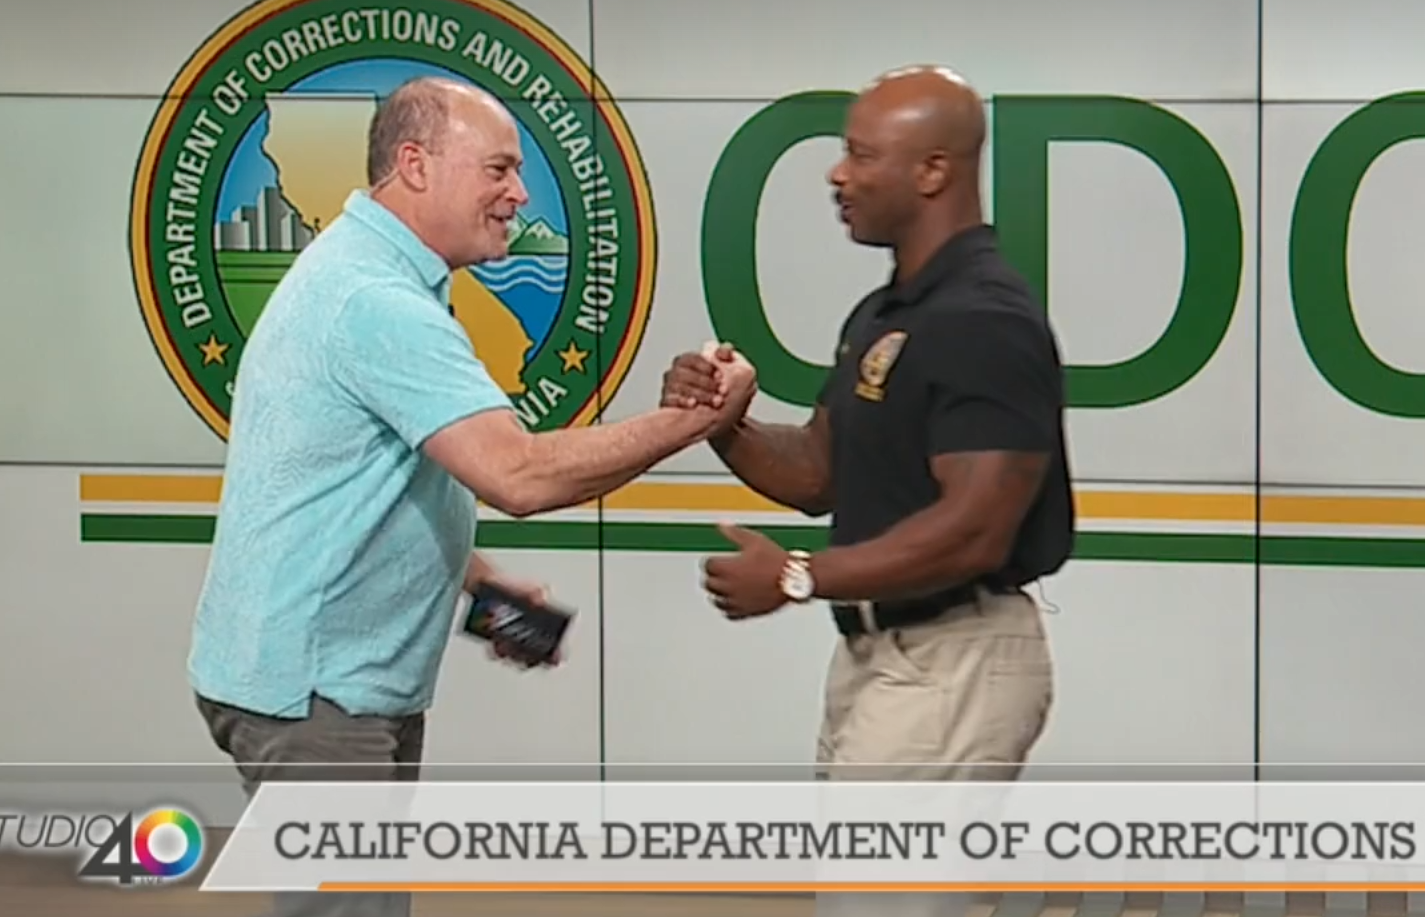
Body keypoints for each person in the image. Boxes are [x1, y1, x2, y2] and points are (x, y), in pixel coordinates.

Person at [186, 75, 751, 916]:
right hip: (316, 699)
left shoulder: (371, 272)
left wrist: (479, 583)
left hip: (326, 685)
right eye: (498, 168)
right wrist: (697, 422)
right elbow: (516, 473)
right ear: (414, 165)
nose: (519, 192)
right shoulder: (374, 302)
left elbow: (359, 482)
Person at [663, 64, 1074, 914]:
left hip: (953, 657)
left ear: (932, 170)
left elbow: (974, 529)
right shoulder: (887, 312)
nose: (835, 174)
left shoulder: (984, 318)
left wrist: (796, 577)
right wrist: (724, 424)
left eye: (858, 155)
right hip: (880, 658)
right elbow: (820, 470)